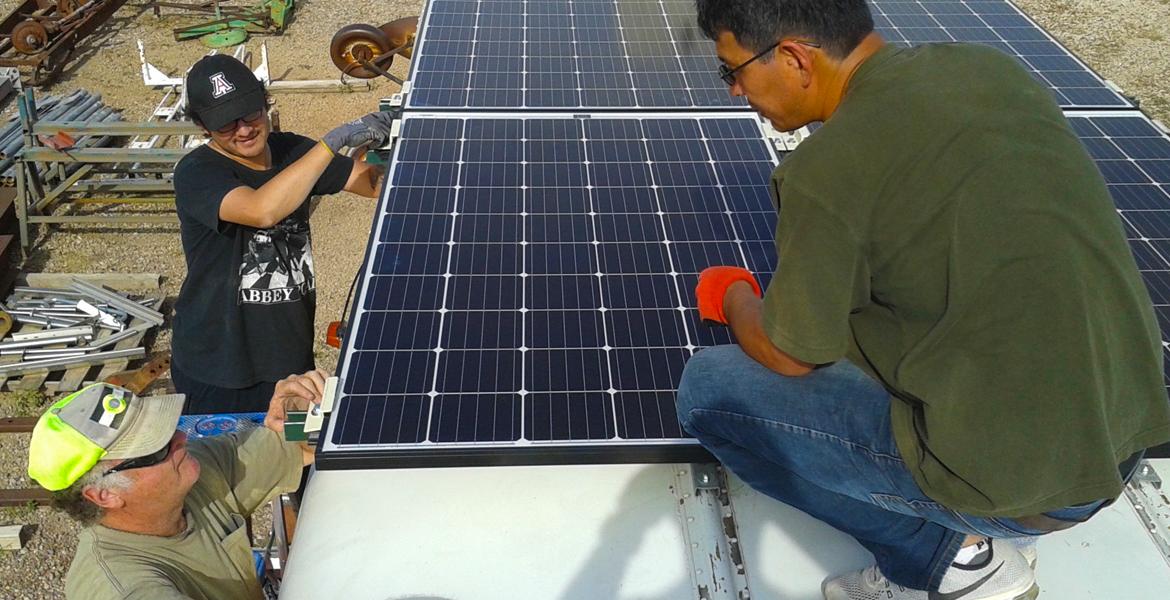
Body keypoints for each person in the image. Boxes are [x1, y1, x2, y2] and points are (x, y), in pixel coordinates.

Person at [676, 2, 1170, 599]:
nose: (733, 92)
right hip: (1123, 436)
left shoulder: (828, 169)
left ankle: (951, 561)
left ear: (794, 58)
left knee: (709, 389)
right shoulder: (990, 71)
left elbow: (789, 355)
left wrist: (730, 295)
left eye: (732, 71)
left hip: (1023, 487)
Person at [172, 53, 391, 414]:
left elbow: (369, 184)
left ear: (265, 103)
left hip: (288, 358)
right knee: (230, 465)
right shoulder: (197, 173)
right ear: (203, 127)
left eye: (250, 113)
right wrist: (330, 144)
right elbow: (261, 210)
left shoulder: (292, 152)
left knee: (292, 461)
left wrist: (410, 144)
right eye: (225, 124)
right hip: (220, 367)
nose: (243, 129)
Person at [27, 370, 328, 599]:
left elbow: (292, 446)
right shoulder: (123, 586)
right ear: (104, 495)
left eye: (167, 431)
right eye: (156, 448)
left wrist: (298, 414)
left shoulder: (190, 473)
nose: (182, 439)